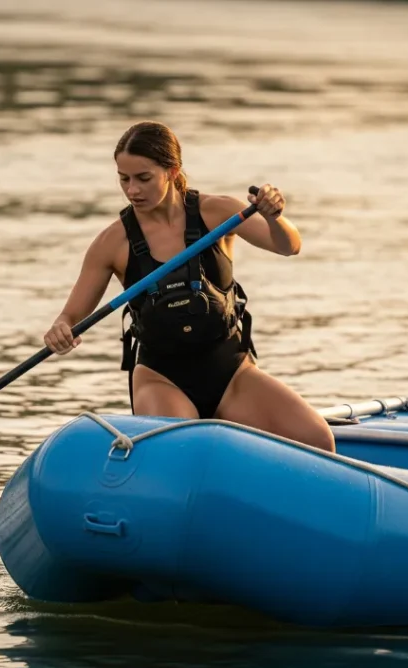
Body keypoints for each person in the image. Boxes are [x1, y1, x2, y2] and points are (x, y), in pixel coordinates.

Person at [43, 121, 335, 452]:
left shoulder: (218, 213)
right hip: (161, 378)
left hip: (231, 371)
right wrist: (60, 329)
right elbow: (71, 316)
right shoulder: (112, 243)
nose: (132, 190)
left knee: (317, 440)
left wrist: (274, 216)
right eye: (123, 179)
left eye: (143, 178)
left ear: (172, 170)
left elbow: (288, 245)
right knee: (185, 452)